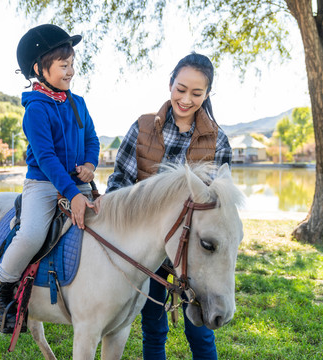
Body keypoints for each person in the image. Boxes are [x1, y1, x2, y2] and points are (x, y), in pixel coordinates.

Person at [98, 53, 232, 359]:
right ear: (170, 84)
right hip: (150, 251)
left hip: (196, 253)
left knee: (200, 334)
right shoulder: (143, 127)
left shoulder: (218, 142)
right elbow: (120, 182)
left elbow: (220, 204)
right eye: (181, 89)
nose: (186, 99)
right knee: (153, 331)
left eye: (197, 93)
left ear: (207, 94)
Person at [0, 24, 100, 333]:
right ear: (40, 68)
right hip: (44, 185)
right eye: (64, 65)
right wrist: (73, 194)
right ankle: (2, 289)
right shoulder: (35, 110)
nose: (71, 71)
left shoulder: (78, 103)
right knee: (32, 234)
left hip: (77, 183)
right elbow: (47, 159)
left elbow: (92, 139)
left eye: (73, 64)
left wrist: (90, 163)